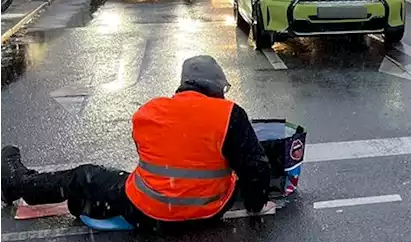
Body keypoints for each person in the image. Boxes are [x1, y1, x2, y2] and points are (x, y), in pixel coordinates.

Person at [0, 55, 273, 229]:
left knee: (85, 175)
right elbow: (256, 169)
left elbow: (155, 158)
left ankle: (18, 184)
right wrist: (255, 205)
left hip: (148, 211)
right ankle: (85, 203)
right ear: (216, 88)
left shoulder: (150, 112)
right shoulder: (230, 114)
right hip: (208, 214)